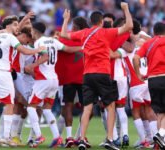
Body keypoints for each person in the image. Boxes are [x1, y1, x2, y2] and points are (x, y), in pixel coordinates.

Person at [60, 2, 133, 150]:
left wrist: (66, 19)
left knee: (87, 108)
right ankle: (110, 139)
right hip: (102, 73)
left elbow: (63, 34)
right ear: (101, 22)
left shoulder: (84, 33)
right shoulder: (106, 32)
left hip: (87, 75)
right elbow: (129, 26)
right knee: (110, 106)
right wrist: (125, 9)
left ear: (91, 21)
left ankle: (81, 139)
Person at [0, 15, 45, 147]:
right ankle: (6, 137)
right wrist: (38, 50)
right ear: (8, 26)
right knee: (9, 104)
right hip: (3, 74)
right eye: (15, 25)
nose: (17, 27)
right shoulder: (10, 38)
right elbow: (24, 50)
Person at [25, 22, 82, 148]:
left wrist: (32, 66)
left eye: (31, 31)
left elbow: (45, 57)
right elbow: (68, 49)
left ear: (34, 31)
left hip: (43, 79)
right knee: (46, 108)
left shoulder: (39, 43)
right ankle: (57, 137)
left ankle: (38, 136)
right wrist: (82, 48)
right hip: (54, 79)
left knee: (30, 107)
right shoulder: (52, 41)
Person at [55, 16, 89, 148]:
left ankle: (71, 137)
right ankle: (79, 136)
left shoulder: (65, 38)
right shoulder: (87, 39)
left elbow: (59, 40)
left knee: (67, 106)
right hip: (83, 78)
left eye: (73, 26)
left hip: (68, 78)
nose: (71, 28)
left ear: (76, 28)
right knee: (87, 108)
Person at [133, 22, 165, 150]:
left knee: (160, 113)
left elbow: (136, 58)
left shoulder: (149, 43)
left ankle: (159, 144)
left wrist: (139, 74)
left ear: (154, 31)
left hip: (152, 80)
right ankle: (160, 134)